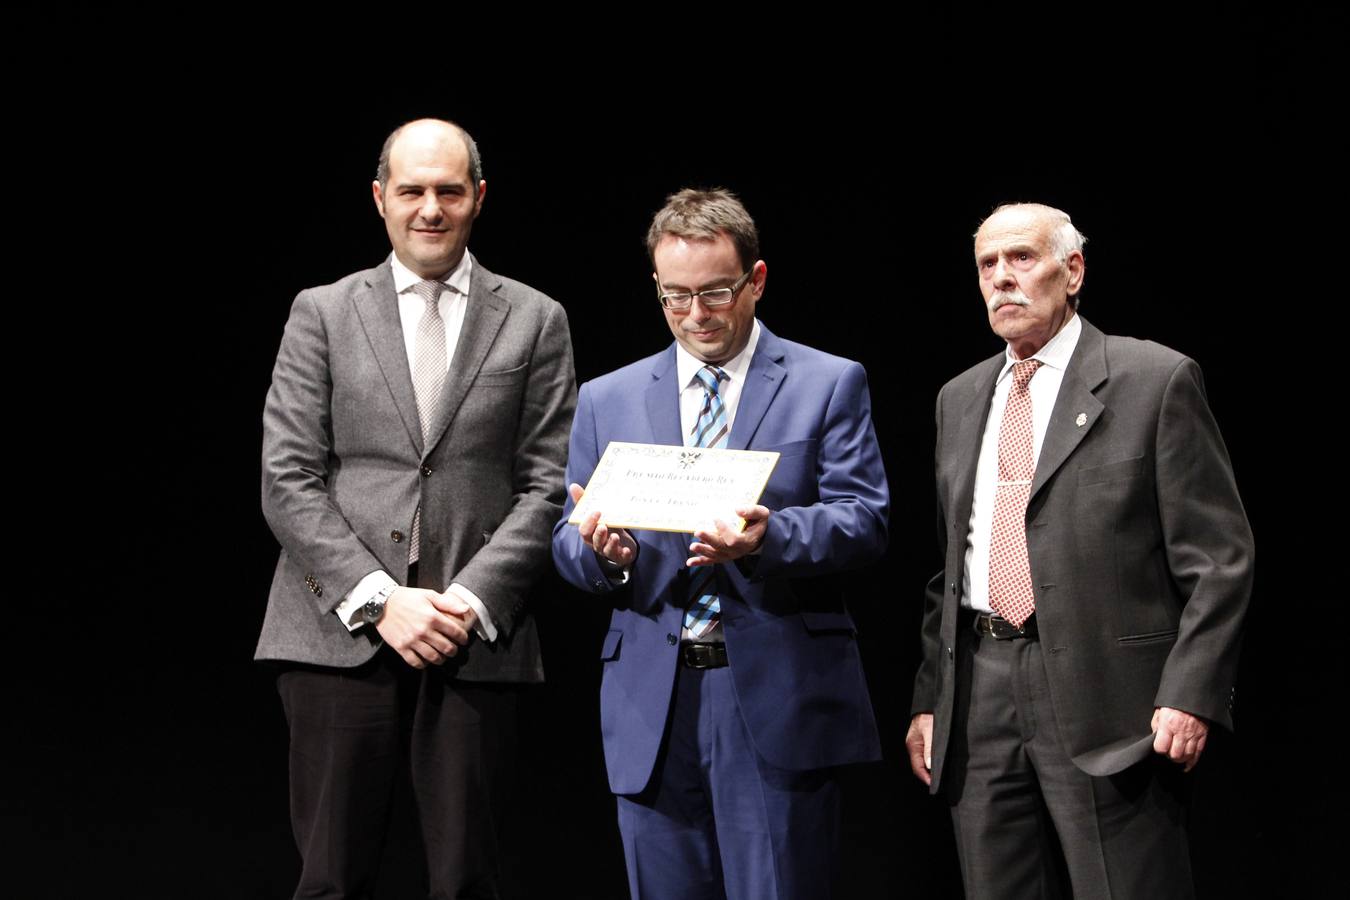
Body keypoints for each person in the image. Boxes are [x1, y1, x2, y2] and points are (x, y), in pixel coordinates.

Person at [255, 118, 576, 898]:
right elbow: (287, 476)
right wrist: (380, 600)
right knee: (331, 878)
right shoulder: (323, 311)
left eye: (448, 190)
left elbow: (549, 481)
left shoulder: (535, 318)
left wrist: (465, 600)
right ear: (380, 199)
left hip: (474, 639)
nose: (429, 208)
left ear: (478, 198)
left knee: (468, 877)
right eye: (411, 191)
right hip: (337, 633)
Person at [905, 202, 1254, 899]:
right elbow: (955, 560)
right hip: (981, 691)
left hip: (1111, 701)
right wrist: (932, 696)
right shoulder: (960, 397)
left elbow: (1219, 561)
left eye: (1021, 258)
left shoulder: (1153, 380)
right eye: (987, 265)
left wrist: (1191, 692)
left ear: (1074, 271)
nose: (1002, 278)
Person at [552, 188, 889, 900]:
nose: (696, 316)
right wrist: (603, 555)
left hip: (776, 691)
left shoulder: (827, 383)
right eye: (674, 297)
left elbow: (864, 519)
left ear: (756, 281)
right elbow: (567, 535)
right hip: (653, 700)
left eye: (715, 293)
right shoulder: (607, 399)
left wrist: (769, 539)